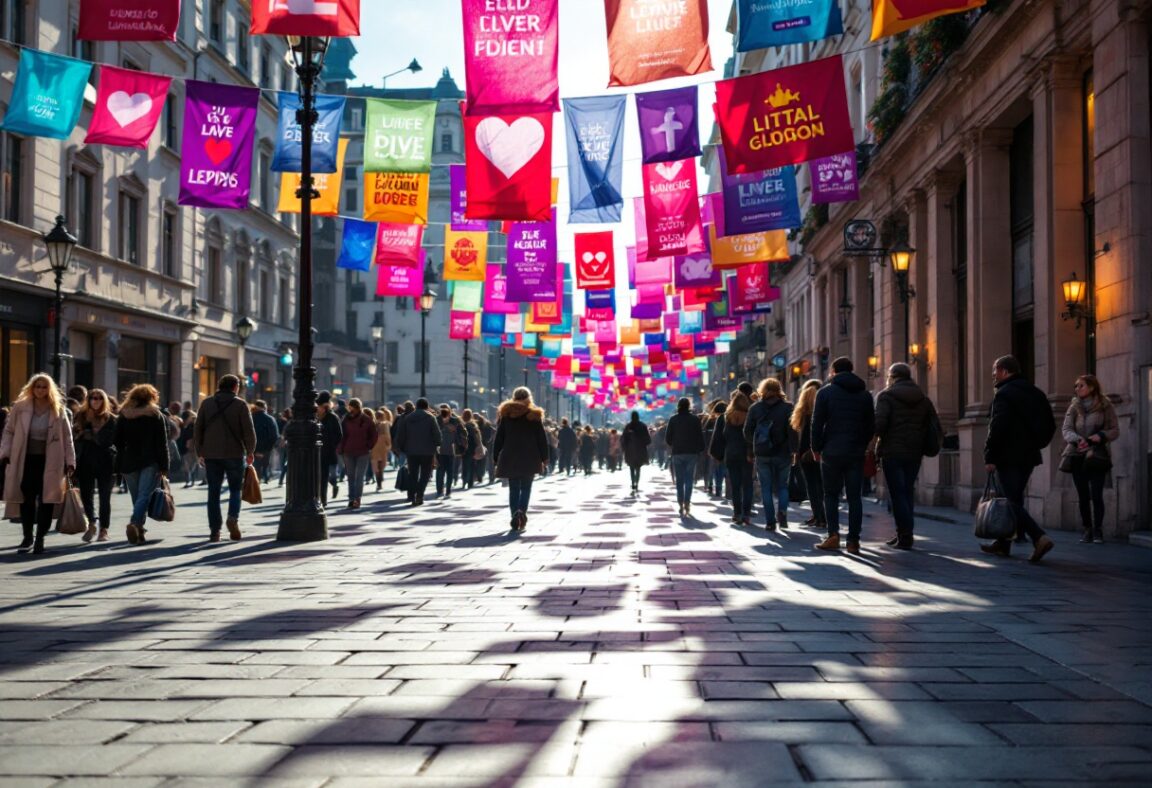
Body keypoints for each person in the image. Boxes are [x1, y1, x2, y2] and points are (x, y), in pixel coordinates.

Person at [980, 355, 1056, 562]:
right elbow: (1050, 425)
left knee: (1008, 502)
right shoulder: (1036, 393)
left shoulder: (1004, 394)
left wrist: (990, 454)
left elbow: (997, 427)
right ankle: (1003, 544)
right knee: (1014, 498)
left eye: (995, 370)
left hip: (1007, 455)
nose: (993, 375)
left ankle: (1039, 537)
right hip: (1029, 456)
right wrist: (1036, 444)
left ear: (1005, 371)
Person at [1, 374, 76, 554]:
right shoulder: (20, 407)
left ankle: (40, 537)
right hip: (25, 459)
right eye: (37, 386)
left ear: (49, 389)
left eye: (44, 387)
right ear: (32, 388)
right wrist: (5, 452)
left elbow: (67, 437)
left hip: (51, 460)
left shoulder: (58, 409)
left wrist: (70, 461)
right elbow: (9, 431)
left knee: (47, 500)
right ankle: (28, 537)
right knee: (26, 499)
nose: (40, 390)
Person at [874, 363, 943, 550]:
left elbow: (879, 425)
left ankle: (905, 535)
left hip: (892, 452)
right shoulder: (923, 399)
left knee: (897, 494)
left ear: (893, 377)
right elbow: (935, 426)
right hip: (914, 452)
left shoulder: (886, 397)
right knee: (907, 491)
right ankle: (903, 533)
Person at [811, 358, 875, 554]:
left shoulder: (825, 393)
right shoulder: (865, 395)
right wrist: (862, 445)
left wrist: (816, 447)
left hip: (831, 451)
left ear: (833, 371)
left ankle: (833, 535)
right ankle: (853, 541)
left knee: (831, 494)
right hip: (855, 452)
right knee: (855, 497)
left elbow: (817, 423)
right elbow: (870, 425)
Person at [193, 375, 256, 542]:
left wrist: (199, 452)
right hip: (235, 454)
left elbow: (198, 429)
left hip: (211, 454)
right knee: (236, 489)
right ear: (235, 387)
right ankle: (232, 518)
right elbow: (249, 432)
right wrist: (250, 452)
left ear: (220, 386)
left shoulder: (207, 403)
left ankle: (215, 531)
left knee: (213, 492)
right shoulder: (240, 404)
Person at [1060, 374, 1120, 544]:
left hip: (1097, 455)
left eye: (1081, 386)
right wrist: (1077, 439)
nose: (1077, 389)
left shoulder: (1105, 405)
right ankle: (1087, 529)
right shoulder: (1074, 407)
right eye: (1076, 386)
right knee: (1083, 495)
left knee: (1096, 494)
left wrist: (1100, 435)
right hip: (1077, 453)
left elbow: (1114, 430)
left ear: (1092, 387)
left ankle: (1098, 531)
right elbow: (1066, 429)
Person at [114, 384, 169, 546]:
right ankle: (135, 523)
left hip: (128, 462)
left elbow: (116, 440)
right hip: (149, 461)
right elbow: (162, 443)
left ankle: (139, 530)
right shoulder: (155, 415)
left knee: (138, 498)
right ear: (152, 398)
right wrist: (164, 466)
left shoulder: (124, 415)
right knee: (144, 496)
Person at [492, 387, 549, 532]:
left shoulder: (506, 415)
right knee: (526, 488)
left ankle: (514, 515)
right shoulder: (534, 416)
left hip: (510, 456)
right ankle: (521, 513)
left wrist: (495, 456)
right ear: (529, 398)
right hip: (530, 457)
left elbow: (499, 438)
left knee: (514, 489)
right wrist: (545, 458)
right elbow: (541, 439)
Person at [744, 379, 796, 531]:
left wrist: (755, 444)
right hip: (783, 452)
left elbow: (747, 431)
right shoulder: (788, 407)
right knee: (783, 486)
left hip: (762, 453)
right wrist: (794, 450)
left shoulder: (755, 408)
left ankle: (770, 521)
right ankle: (783, 515)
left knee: (765, 487)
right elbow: (792, 430)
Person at [73, 388, 118, 543]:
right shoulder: (81, 416)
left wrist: (90, 435)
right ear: (89, 399)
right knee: (86, 496)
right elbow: (74, 439)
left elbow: (108, 441)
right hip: (86, 460)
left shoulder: (111, 419)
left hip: (106, 462)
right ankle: (92, 523)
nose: (96, 400)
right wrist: (80, 434)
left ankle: (103, 530)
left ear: (104, 400)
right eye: (93, 397)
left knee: (105, 497)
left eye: (99, 398)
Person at [789, 380, 826, 531]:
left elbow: (801, 435)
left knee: (811, 485)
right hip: (822, 451)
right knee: (822, 486)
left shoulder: (803, 412)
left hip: (806, 454)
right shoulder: (824, 409)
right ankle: (820, 516)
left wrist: (798, 452)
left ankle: (819, 516)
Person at [713, 390, 753, 525]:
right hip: (747, 455)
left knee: (735, 485)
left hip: (730, 455)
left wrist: (718, 455)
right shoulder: (750, 416)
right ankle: (746, 514)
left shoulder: (725, 417)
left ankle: (737, 513)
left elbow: (718, 439)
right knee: (747, 485)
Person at [394, 397, 440, 506]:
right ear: (426, 406)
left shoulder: (408, 418)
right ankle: (419, 494)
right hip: (427, 451)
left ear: (417, 406)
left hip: (411, 451)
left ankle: (412, 494)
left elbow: (401, 434)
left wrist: (400, 447)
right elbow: (437, 434)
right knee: (425, 474)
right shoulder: (431, 418)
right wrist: (437, 444)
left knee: (413, 474)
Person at [666, 397, 705, 516]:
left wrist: (674, 444)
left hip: (678, 452)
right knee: (689, 479)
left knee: (679, 479)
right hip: (692, 453)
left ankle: (680, 501)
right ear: (689, 406)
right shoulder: (695, 419)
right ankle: (687, 501)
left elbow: (668, 438)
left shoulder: (673, 419)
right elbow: (700, 436)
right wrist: (700, 448)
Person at [337, 398, 377, 510]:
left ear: (358, 407)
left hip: (362, 452)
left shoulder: (366, 420)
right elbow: (341, 435)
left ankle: (357, 499)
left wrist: (368, 446)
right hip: (348, 451)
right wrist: (341, 448)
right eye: (350, 407)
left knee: (359, 477)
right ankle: (351, 499)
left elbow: (374, 435)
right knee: (350, 476)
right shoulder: (346, 419)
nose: (350, 409)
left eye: (352, 407)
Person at [316, 391, 343, 505]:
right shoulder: (315, 417)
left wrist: (332, 445)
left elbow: (339, 435)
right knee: (319, 477)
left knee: (325, 476)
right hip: (316, 452)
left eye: (321, 407)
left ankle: (323, 499)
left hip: (327, 451)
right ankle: (320, 498)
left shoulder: (332, 417)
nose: (319, 409)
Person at [436, 404, 465, 498]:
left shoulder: (436, 421)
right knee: (449, 471)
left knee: (440, 470)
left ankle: (440, 490)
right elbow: (463, 433)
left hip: (439, 449)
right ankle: (448, 491)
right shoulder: (455, 421)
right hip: (451, 449)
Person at [621, 411, 652, 494]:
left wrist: (624, 448)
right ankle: (636, 483)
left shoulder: (628, 426)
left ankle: (633, 483)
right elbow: (648, 440)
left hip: (630, 451)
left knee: (631, 468)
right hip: (640, 450)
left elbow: (623, 439)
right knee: (638, 468)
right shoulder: (642, 426)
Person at [251, 400, 280, 484]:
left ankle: (256, 482)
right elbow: (274, 436)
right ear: (264, 407)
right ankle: (265, 478)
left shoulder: (250, 418)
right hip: (266, 450)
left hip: (253, 449)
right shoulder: (270, 419)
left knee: (255, 468)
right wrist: (267, 449)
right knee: (265, 466)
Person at [371, 407, 393, 492]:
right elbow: (387, 435)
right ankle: (380, 479)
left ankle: (378, 482)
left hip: (374, 446)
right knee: (382, 465)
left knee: (376, 465)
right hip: (382, 446)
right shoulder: (385, 424)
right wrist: (389, 445)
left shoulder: (372, 424)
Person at [460, 409, 483, 491]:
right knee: (472, 465)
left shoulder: (461, 424)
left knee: (464, 465)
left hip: (463, 448)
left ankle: (464, 481)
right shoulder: (473, 425)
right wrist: (479, 446)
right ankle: (470, 483)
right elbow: (478, 438)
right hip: (472, 448)